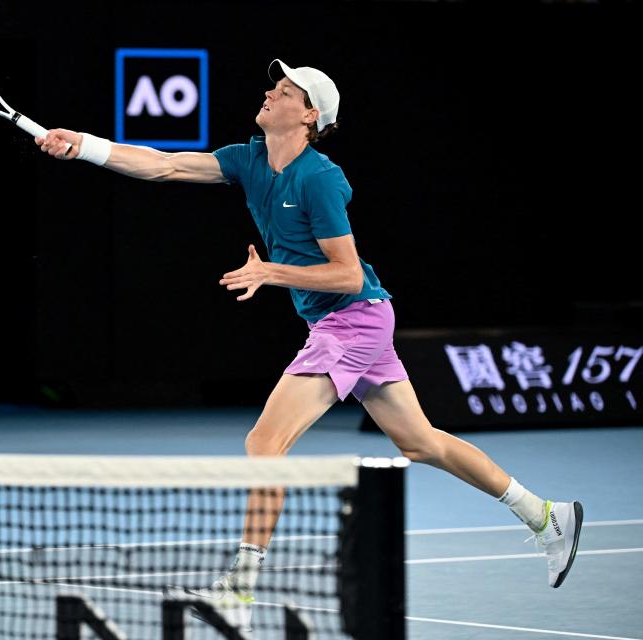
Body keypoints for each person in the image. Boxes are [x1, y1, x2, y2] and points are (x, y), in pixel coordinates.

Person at [36, 59, 583, 630]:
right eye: (272, 87)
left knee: (264, 443)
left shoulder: (318, 177)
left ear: (309, 114)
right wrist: (86, 146)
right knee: (421, 443)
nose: (270, 94)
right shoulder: (248, 159)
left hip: (352, 320)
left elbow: (347, 274)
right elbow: (166, 165)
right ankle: (545, 515)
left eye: (284, 90)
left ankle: (238, 589)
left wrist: (271, 273)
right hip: (354, 321)